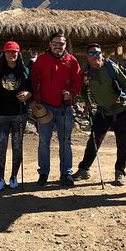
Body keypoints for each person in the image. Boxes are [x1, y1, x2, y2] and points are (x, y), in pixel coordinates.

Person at [73, 43, 126, 186]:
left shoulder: (111, 67)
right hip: (102, 111)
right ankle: (84, 169)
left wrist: (124, 96)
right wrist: (87, 103)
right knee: (93, 141)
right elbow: (83, 90)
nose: (95, 56)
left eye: (97, 53)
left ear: (102, 54)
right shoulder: (86, 74)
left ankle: (120, 172)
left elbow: (125, 84)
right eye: (91, 54)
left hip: (121, 110)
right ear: (87, 57)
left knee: (123, 143)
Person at [30, 31, 83, 187]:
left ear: (65, 44)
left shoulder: (72, 61)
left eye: (61, 43)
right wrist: (34, 100)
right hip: (45, 108)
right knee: (43, 142)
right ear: (50, 44)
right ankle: (44, 173)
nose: (58, 46)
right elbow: (34, 81)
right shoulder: (41, 60)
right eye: (55, 43)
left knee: (65, 142)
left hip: (64, 108)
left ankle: (66, 173)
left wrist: (72, 94)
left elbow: (77, 80)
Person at [0, 41, 32, 191]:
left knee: (17, 146)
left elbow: (32, 88)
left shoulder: (25, 71)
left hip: (19, 113)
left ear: (18, 54)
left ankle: (14, 176)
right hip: (1, 114)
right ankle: (0, 178)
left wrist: (28, 94)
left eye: (14, 52)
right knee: (1, 146)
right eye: (9, 52)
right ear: (4, 54)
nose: (12, 55)